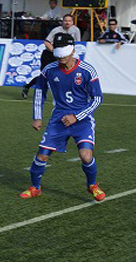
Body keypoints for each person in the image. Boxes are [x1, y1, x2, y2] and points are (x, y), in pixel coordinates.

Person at [20, 33, 104, 202]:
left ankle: (92, 185)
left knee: (86, 156)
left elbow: (97, 99)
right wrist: (37, 116)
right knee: (42, 156)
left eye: (64, 54)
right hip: (58, 118)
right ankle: (35, 188)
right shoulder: (49, 70)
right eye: (58, 55)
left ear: (72, 51)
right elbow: (40, 91)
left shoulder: (87, 70)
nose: (61, 58)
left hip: (82, 119)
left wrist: (77, 116)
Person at [22, 14, 81, 99]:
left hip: (64, 56)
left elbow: (78, 43)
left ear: (72, 22)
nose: (67, 23)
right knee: (46, 75)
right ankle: (28, 87)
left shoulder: (76, 30)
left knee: (64, 74)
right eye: (65, 21)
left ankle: (66, 95)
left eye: (69, 21)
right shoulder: (56, 30)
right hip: (49, 55)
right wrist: (55, 51)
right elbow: (46, 42)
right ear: (62, 22)